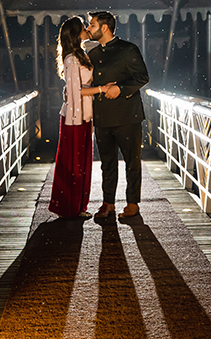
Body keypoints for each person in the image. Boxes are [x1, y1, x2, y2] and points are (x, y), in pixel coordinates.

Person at [86, 11, 150, 219]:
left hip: (127, 115)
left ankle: (133, 203)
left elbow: (142, 77)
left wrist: (121, 89)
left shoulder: (128, 49)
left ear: (105, 28)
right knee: (107, 162)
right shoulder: (93, 54)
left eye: (92, 25)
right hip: (103, 116)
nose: (89, 29)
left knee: (132, 161)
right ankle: (108, 202)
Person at [48, 17, 102, 219]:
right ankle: (69, 206)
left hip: (84, 115)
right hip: (74, 117)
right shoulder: (72, 59)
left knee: (82, 162)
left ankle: (78, 204)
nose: (87, 29)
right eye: (83, 27)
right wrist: (100, 89)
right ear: (75, 33)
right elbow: (74, 92)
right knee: (74, 163)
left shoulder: (81, 55)